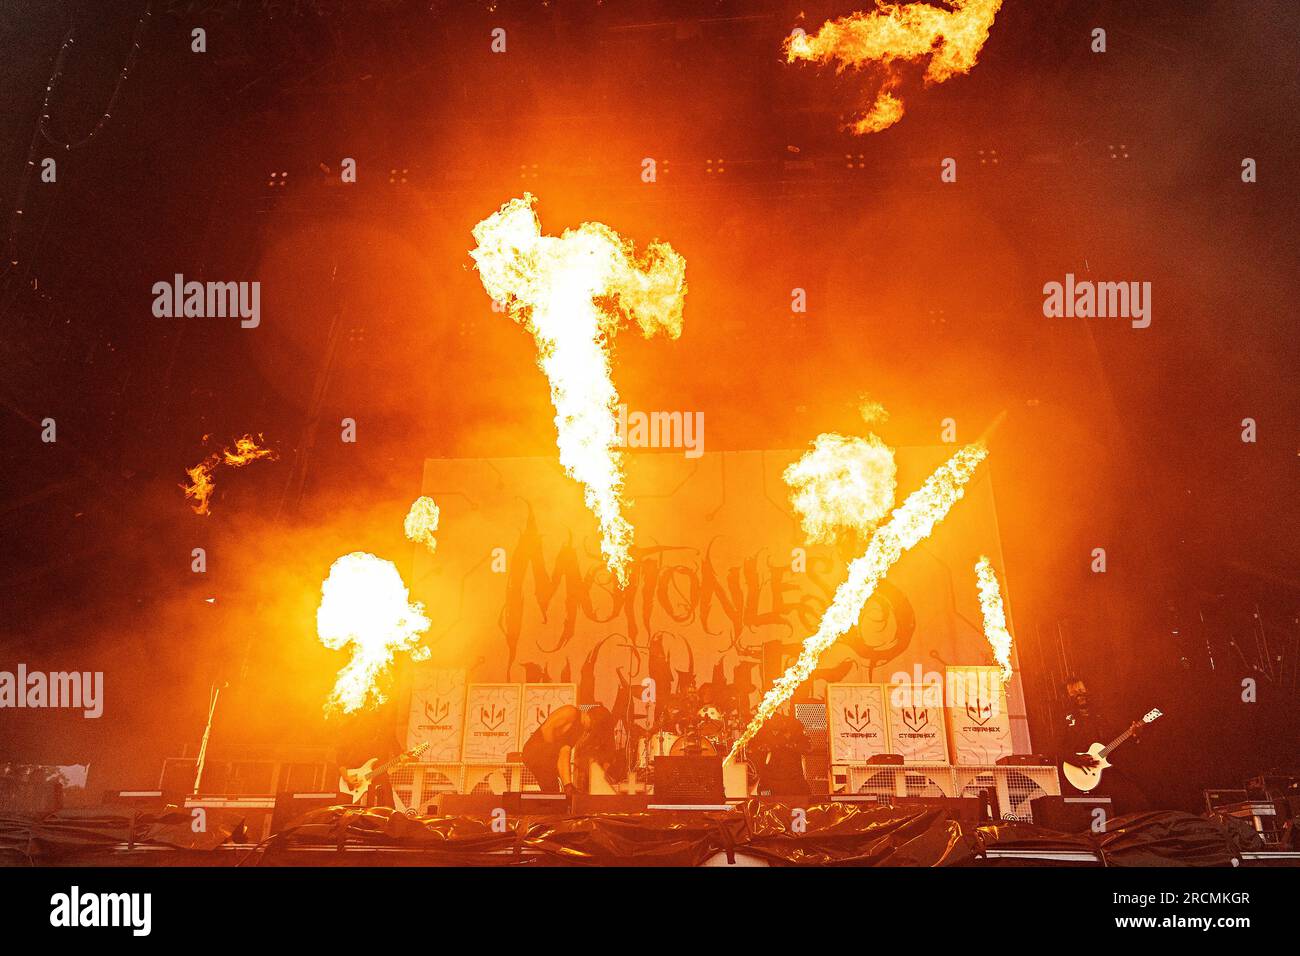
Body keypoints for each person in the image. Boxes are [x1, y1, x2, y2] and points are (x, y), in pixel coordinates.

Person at [1058, 675, 1151, 813]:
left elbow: (1119, 742)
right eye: (1074, 693)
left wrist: (1134, 735)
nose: (1080, 695)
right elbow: (1056, 748)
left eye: (1082, 690)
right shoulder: (1065, 720)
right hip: (1082, 776)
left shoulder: (1102, 715)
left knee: (1138, 803)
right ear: (1068, 697)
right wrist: (1077, 760)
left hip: (1107, 771)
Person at [521, 704, 616, 794]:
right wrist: (551, 754)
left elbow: (564, 752)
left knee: (552, 791)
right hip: (534, 752)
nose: (590, 732)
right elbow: (547, 728)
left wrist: (568, 785)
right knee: (552, 793)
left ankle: (545, 808)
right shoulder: (571, 712)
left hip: (542, 757)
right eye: (592, 729)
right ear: (595, 721)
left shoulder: (578, 730)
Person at [748, 707, 812, 797]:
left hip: (793, 783)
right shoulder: (760, 728)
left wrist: (791, 745)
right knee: (766, 802)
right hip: (769, 783)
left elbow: (807, 748)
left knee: (799, 805)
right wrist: (763, 748)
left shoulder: (794, 726)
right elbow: (751, 748)